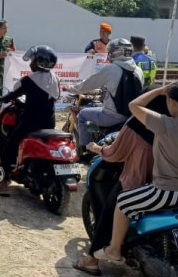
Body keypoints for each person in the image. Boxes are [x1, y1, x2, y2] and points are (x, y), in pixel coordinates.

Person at [92, 78, 178, 265]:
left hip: (167, 192)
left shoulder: (165, 125)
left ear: (171, 102)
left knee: (123, 200)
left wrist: (161, 90)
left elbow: (134, 105)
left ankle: (114, 249)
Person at [74, 86, 167, 275]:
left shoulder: (137, 124)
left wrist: (95, 148)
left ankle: (92, 261)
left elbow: (115, 153)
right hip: (169, 181)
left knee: (109, 213)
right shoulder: (174, 124)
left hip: (138, 180)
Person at [0, 45, 60, 194]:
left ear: (38, 63)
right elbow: (55, 97)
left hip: (30, 124)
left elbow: (13, 95)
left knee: (9, 145)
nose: (31, 63)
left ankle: (5, 179)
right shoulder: (55, 79)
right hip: (50, 123)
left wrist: (0, 98)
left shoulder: (29, 80)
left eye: (33, 60)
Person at [66, 38, 144, 154]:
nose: (109, 54)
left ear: (117, 52)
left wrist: (70, 88)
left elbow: (88, 84)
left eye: (111, 51)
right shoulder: (138, 70)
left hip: (112, 116)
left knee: (82, 115)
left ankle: (85, 148)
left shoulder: (111, 69)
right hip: (132, 115)